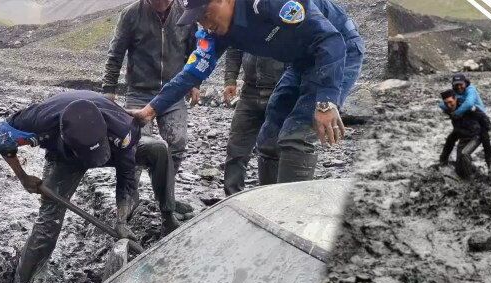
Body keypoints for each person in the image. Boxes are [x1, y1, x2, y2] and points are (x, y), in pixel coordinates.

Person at [128, 0, 365, 184]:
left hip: (338, 51)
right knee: (271, 128)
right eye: (198, 20)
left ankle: (290, 219)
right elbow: (192, 72)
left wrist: (325, 101)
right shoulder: (216, 32)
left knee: (298, 133)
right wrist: (151, 110)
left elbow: (330, 40)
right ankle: (269, 205)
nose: (205, 24)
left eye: (206, 15)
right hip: (301, 61)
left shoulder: (267, 3)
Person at [0, 90, 180, 283]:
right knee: (50, 214)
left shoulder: (123, 129)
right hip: (66, 158)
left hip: (110, 148)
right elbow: (1, 134)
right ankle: (23, 281)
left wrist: (121, 220)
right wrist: (23, 177)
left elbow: (127, 179)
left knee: (158, 149)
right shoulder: (38, 120)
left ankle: (168, 216)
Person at [103, 0, 199, 214]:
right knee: (134, 146)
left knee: (177, 142)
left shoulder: (185, 13)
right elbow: (116, 52)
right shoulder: (131, 14)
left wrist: (194, 83)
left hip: (174, 91)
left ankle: (166, 197)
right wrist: (109, 89)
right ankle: (130, 197)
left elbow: (195, 51)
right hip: (139, 92)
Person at [222, 48, 285, 195]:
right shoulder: (246, 24)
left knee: (272, 150)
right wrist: (230, 79)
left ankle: (271, 200)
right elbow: (234, 47)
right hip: (249, 91)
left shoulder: (287, 24)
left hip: (280, 91)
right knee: (236, 147)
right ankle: (232, 197)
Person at [439, 73, 491, 169]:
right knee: (451, 139)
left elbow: (469, 104)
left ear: (465, 83)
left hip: (477, 119)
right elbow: (442, 104)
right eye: (456, 85)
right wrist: (450, 108)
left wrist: (456, 114)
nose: (459, 87)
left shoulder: (470, 91)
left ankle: (489, 166)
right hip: (463, 127)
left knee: (483, 137)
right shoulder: (454, 96)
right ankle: (443, 162)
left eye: (461, 84)